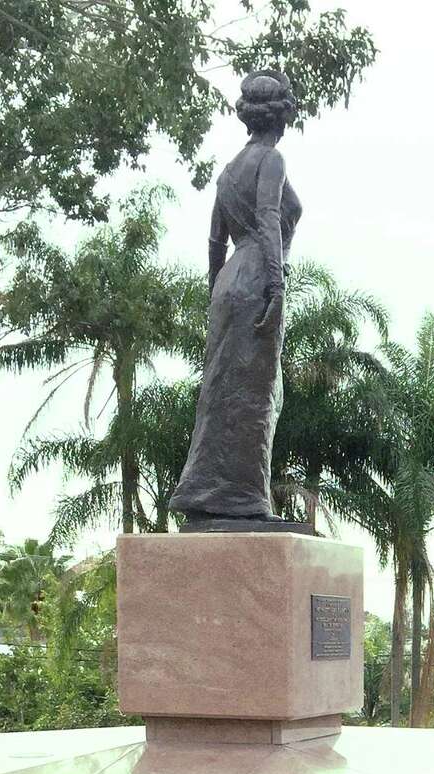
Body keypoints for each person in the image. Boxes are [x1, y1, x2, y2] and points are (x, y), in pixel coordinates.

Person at [169, 71, 303, 526]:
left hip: (229, 282)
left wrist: (216, 292)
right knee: (254, 395)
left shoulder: (228, 172)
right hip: (257, 276)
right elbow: (268, 218)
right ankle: (244, 500)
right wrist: (276, 286)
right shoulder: (272, 159)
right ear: (281, 117)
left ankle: (210, 492)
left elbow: (214, 241)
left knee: (223, 390)